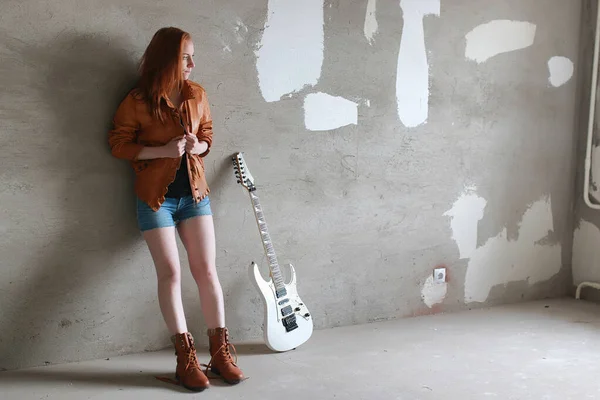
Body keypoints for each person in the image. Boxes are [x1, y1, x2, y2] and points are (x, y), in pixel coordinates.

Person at [108, 27, 244, 392]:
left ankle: (220, 354)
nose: (192, 64)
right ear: (168, 58)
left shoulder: (196, 94)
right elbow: (118, 144)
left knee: (206, 272)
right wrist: (163, 151)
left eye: (192, 57)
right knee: (170, 274)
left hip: (196, 196)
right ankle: (185, 361)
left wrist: (198, 146)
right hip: (156, 199)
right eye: (186, 57)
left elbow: (209, 133)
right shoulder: (137, 100)